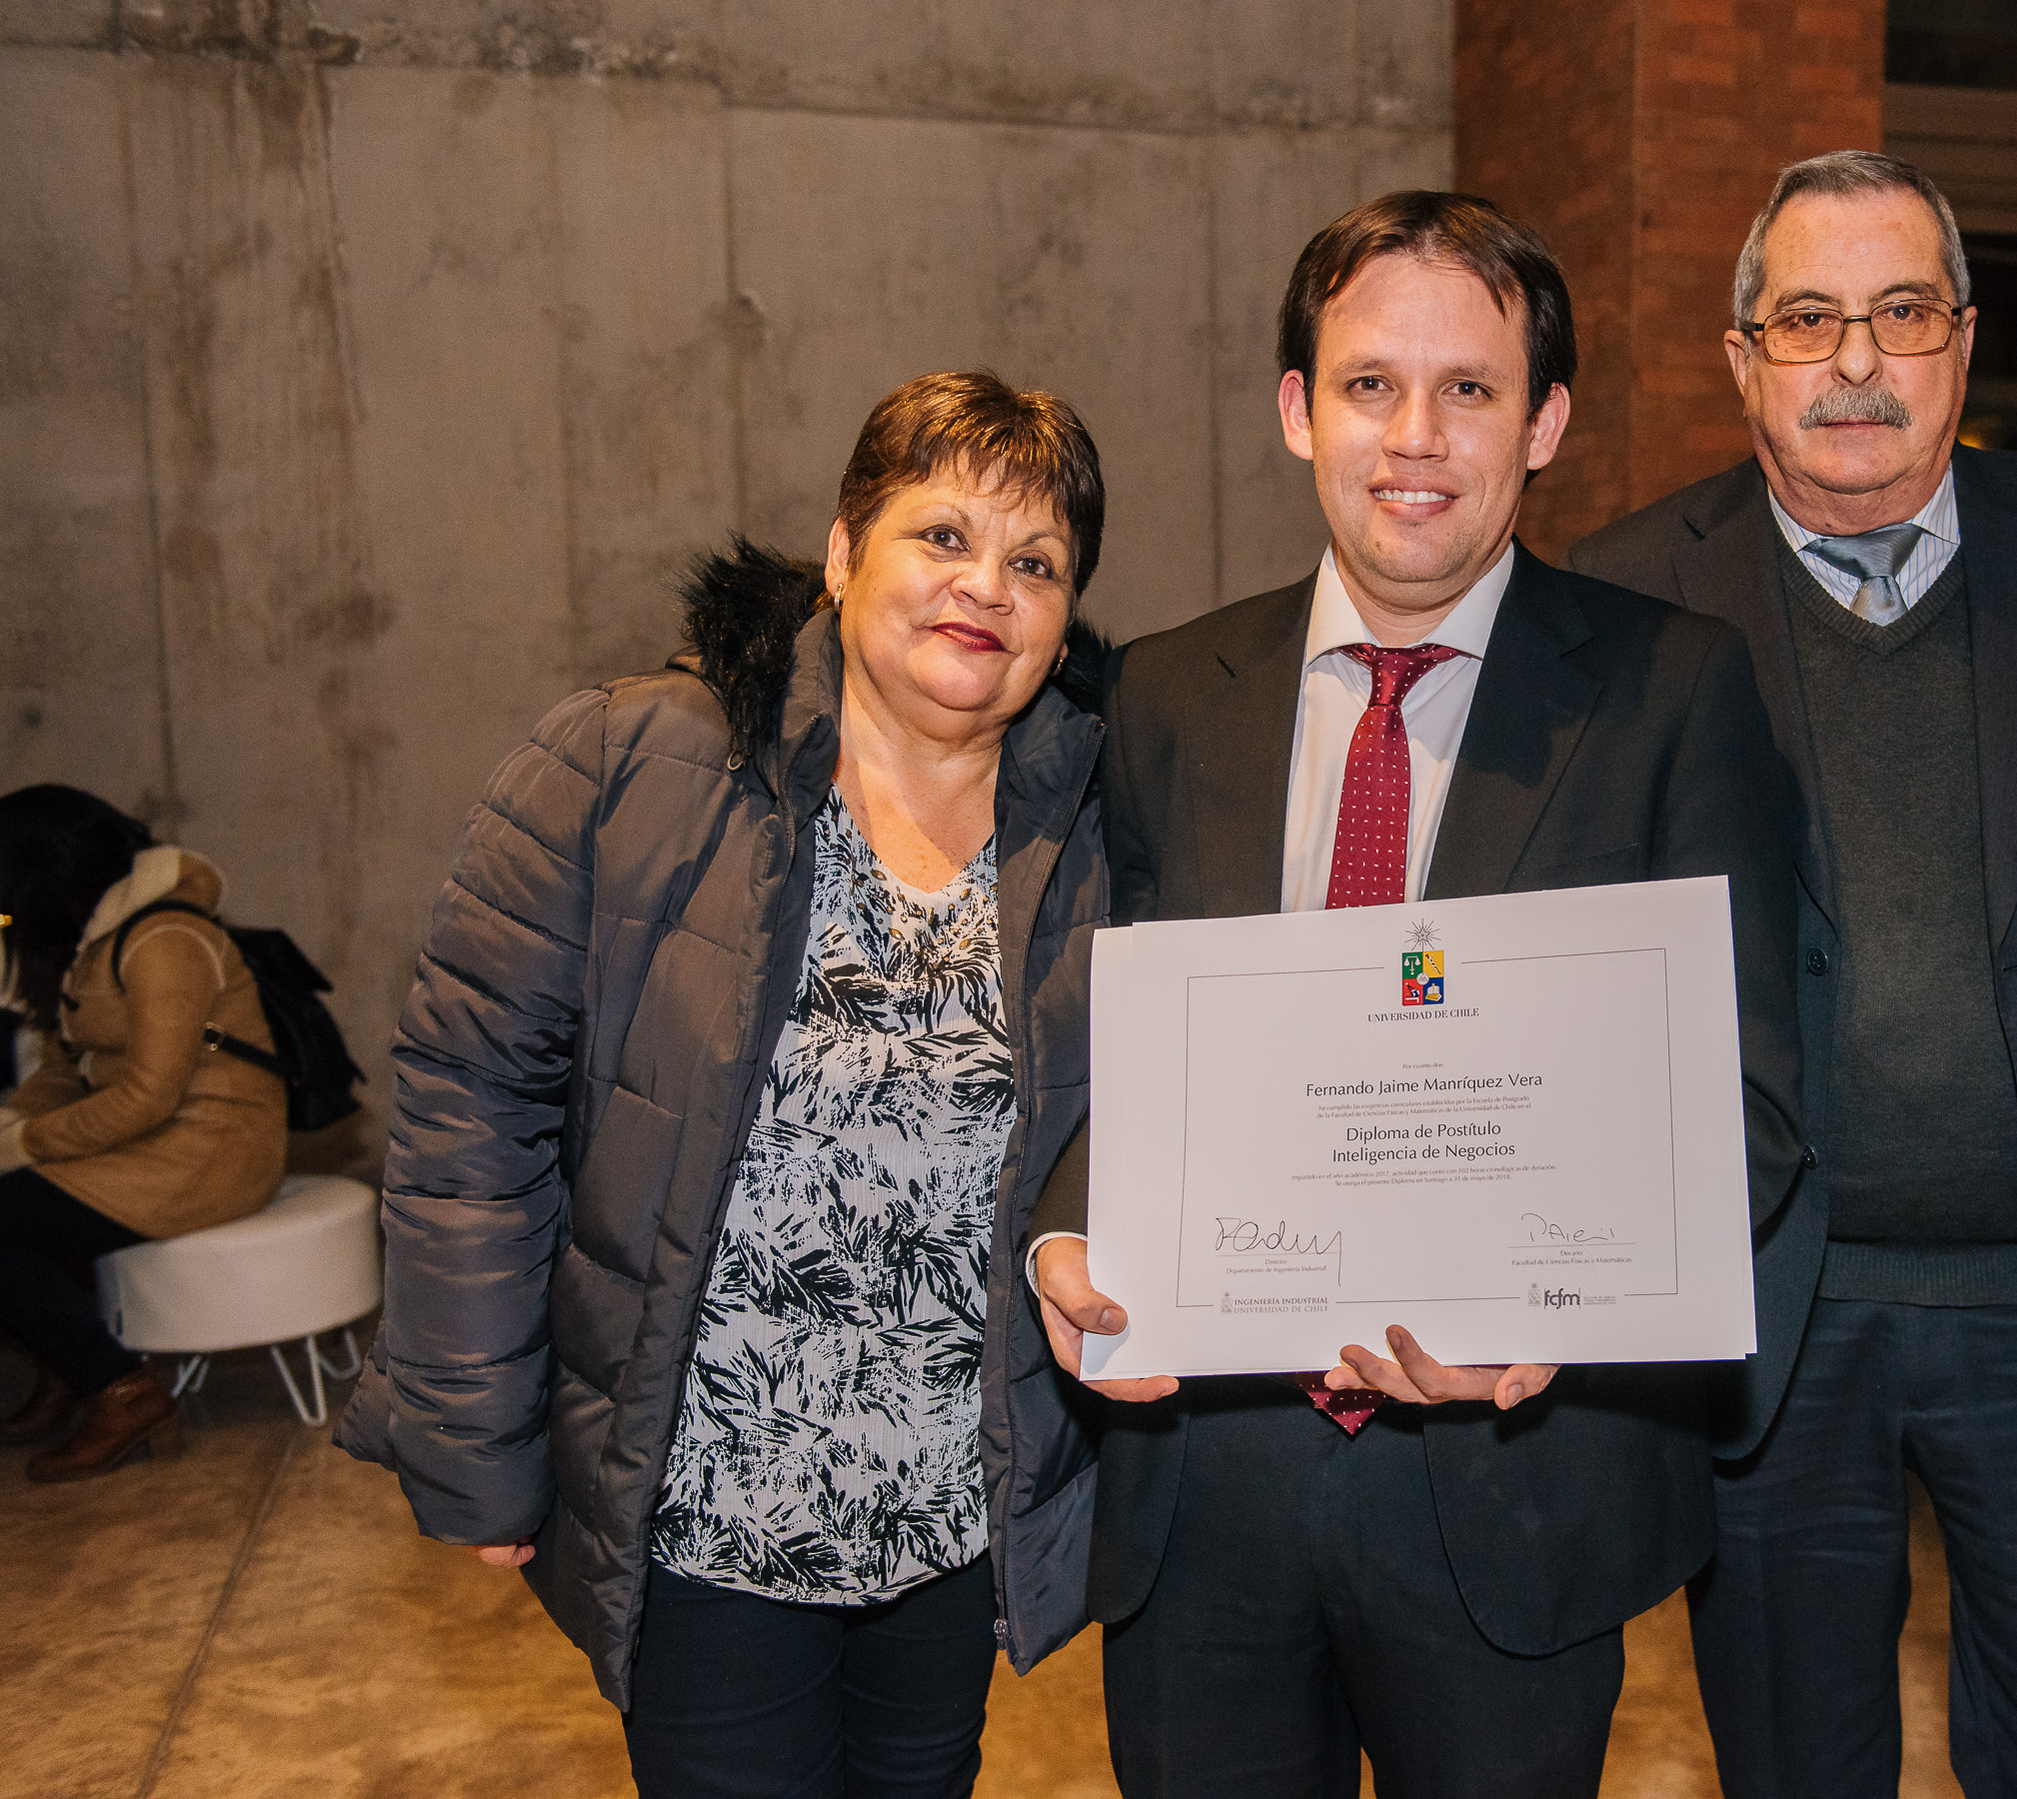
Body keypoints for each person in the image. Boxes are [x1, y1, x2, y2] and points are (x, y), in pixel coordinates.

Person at [1029, 190, 1804, 1798]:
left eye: (1470, 388)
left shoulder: (1674, 690)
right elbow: (1124, 1043)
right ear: (1298, 409)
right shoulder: (1167, 691)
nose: (1416, 436)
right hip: (1207, 1482)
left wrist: (1560, 1301)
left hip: (1511, 1486)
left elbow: (1747, 1098)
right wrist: (1068, 1232)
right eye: (1371, 384)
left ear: (1545, 424)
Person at [1571, 150, 2017, 1797]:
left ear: (1965, 340)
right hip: (1773, 1316)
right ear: (1743, 359)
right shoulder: (1626, 593)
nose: (1858, 361)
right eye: (1809, 320)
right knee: (1796, 1757)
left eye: (1902, 312)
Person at [334, 372, 1112, 1798]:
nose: (986, 587)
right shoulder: (628, 764)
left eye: (1037, 563)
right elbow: (470, 1109)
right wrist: (471, 1438)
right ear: (842, 551)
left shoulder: (1096, 830)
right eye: (942, 535)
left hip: (951, 1522)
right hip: (703, 1513)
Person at [0, 787, 287, 1480]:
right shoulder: (87, 944)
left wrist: (25, 1145)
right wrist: (16, 1124)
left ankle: (121, 1391)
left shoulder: (164, 940)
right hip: (144, 1146)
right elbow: (66, 1068)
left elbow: (147, 1097)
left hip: (207, 1151)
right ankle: (69, 1365)